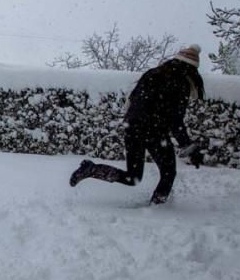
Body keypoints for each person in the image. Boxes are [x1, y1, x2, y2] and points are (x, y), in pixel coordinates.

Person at [69, 44, 205, 204]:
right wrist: (189, 147)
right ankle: (158, 207)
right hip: (155, 132)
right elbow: (176, 121)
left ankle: (92, 169)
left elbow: (131, 101)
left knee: (133, 176)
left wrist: (135, 122)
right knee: (168, 172)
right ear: (192, 70)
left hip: (133, 127)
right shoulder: (180, 83)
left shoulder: (153, 73)